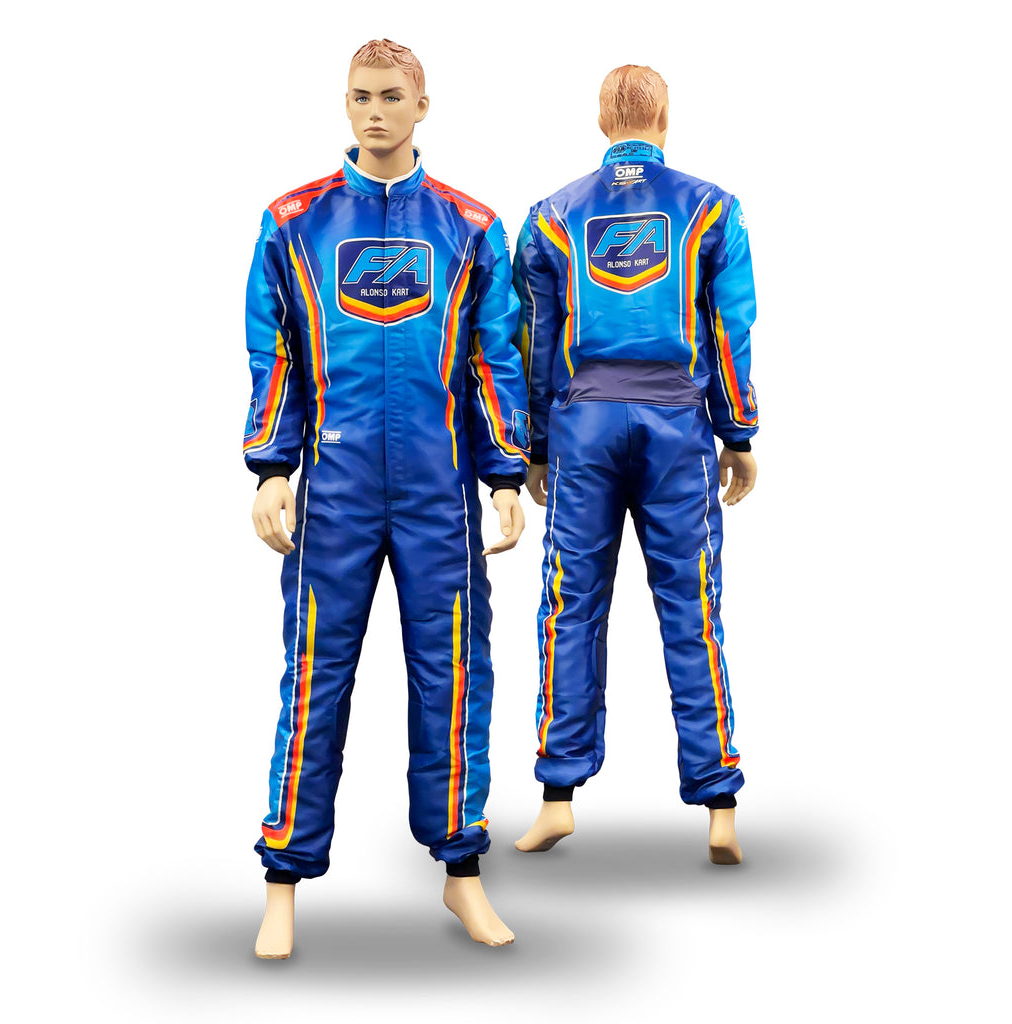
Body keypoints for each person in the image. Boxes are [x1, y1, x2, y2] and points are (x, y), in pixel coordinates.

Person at [243, 39, 529, 956]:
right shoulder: (295, 223)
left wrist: (506, 474)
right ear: (346, 104)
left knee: (454, 677)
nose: (374, 112)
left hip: (439, 490)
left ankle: (461, 872)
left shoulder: (470, 227)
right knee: (315, 676)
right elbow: (274, 353)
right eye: (361, 97)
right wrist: (271, 467)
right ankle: (283, 881)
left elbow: (493, 355)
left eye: (392, 97)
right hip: (335, 488)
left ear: (422, 106)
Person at [511, 64, 758, 865]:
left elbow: (532, 339)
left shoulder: (551, 217)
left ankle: (557, 796)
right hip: (676, 426)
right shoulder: (712, 207)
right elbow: (729, 329)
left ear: (600, 121)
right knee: (691, 605)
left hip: (582, 426)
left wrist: (534, 444)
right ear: (665, 119)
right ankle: (719, 807)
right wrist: (738, 432)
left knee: (570, 604)